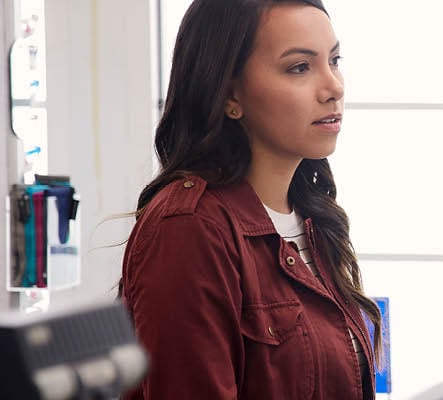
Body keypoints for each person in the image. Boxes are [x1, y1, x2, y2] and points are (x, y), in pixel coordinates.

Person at [118, 1, 380, 398]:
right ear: (228, 94)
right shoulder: (189, 230)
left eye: (334, 60)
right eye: (299, 67)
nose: (334, 87)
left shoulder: (310, 217)